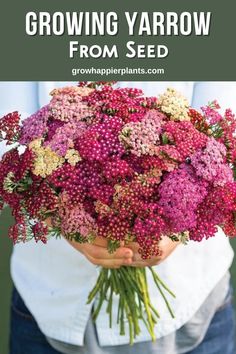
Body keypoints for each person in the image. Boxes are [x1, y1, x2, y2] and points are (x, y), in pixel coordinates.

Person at [0, 82, 235, 354]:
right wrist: (61, 218)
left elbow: (223, 128)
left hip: (189, 295)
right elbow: (8, 127)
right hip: (50, 292)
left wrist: (175, 226)